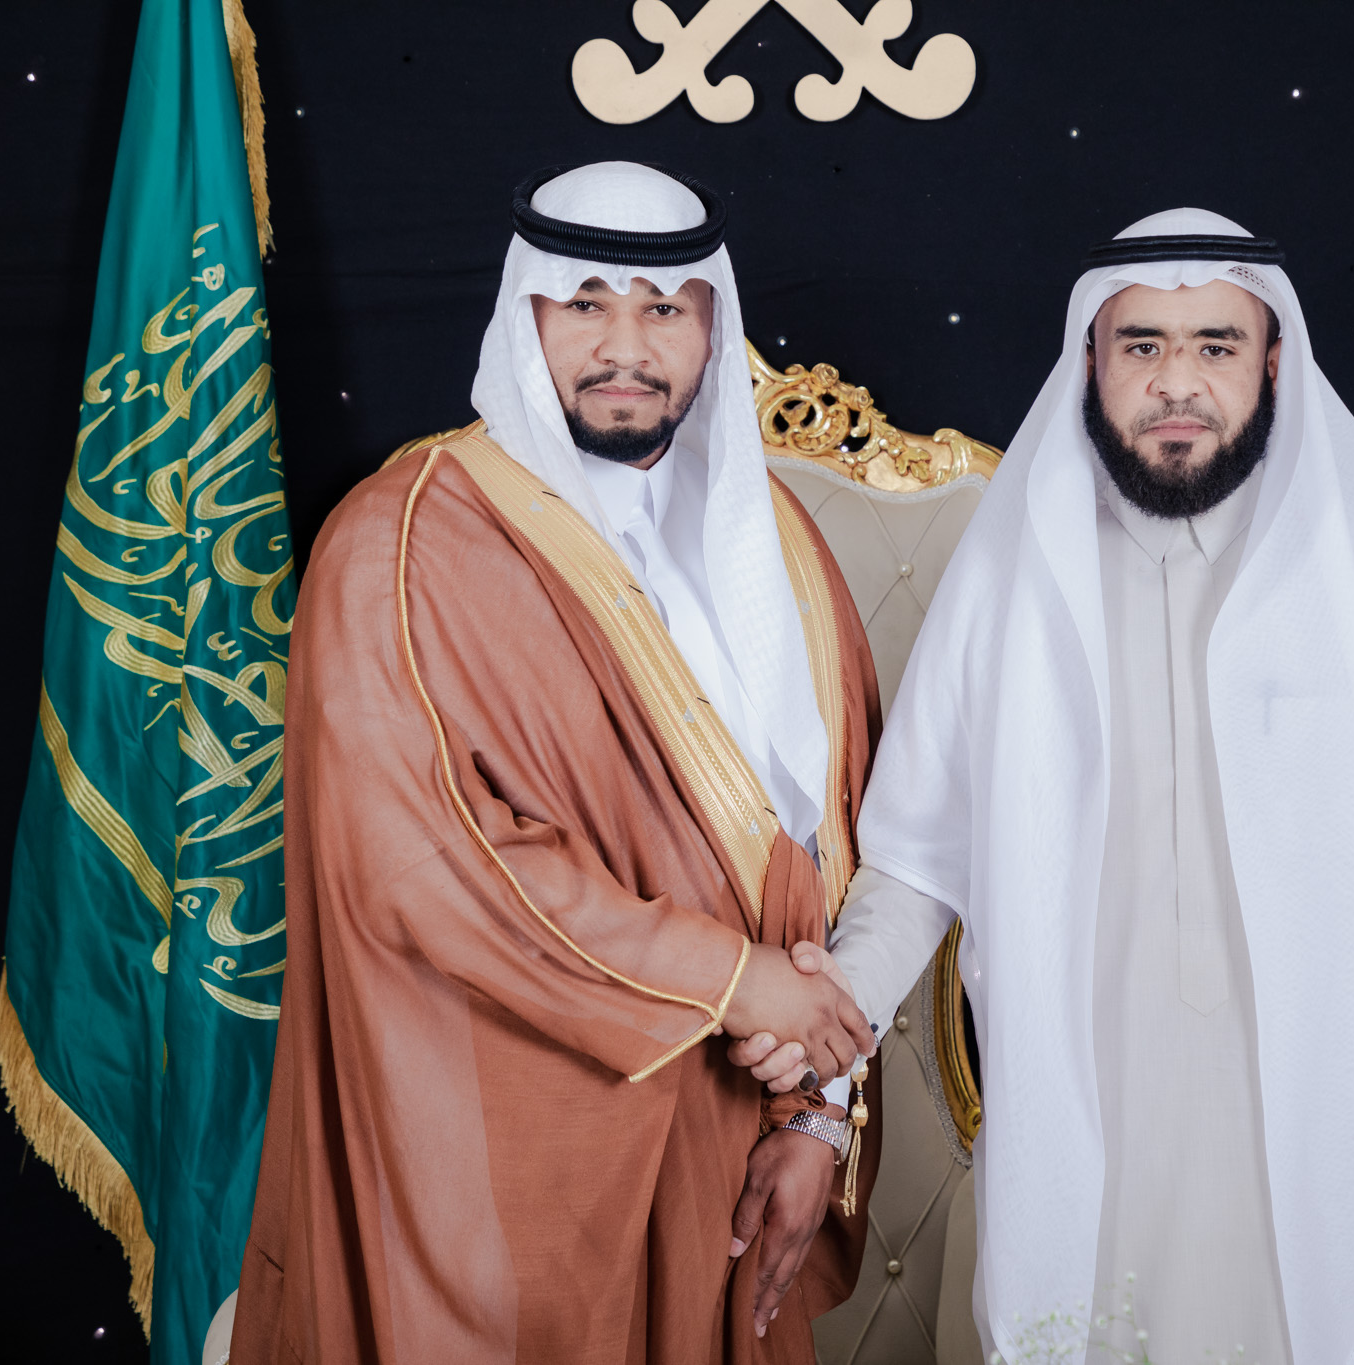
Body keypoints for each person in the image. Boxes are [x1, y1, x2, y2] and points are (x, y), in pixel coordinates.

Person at [736, 211, 1354, 1365]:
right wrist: (820, 1066)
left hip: (1329, 1162)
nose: (1177, 382)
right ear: (1090, 361)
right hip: (1082, 1152)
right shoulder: (1011, 582)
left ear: (1273, 363)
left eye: (1216, 345)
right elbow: (914, 869)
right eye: (1142, 346)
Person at [231, 161, 883, 1365]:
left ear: (712, 326)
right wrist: (733, 983)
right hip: (505, 1164)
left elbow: (836, 842)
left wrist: (814, 1115)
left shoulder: (777, 545)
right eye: (584, 303)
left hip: (738, 1149)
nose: (624, 346)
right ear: (523, 313)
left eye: (663, 307)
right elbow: (427, 865)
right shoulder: (399, 539)